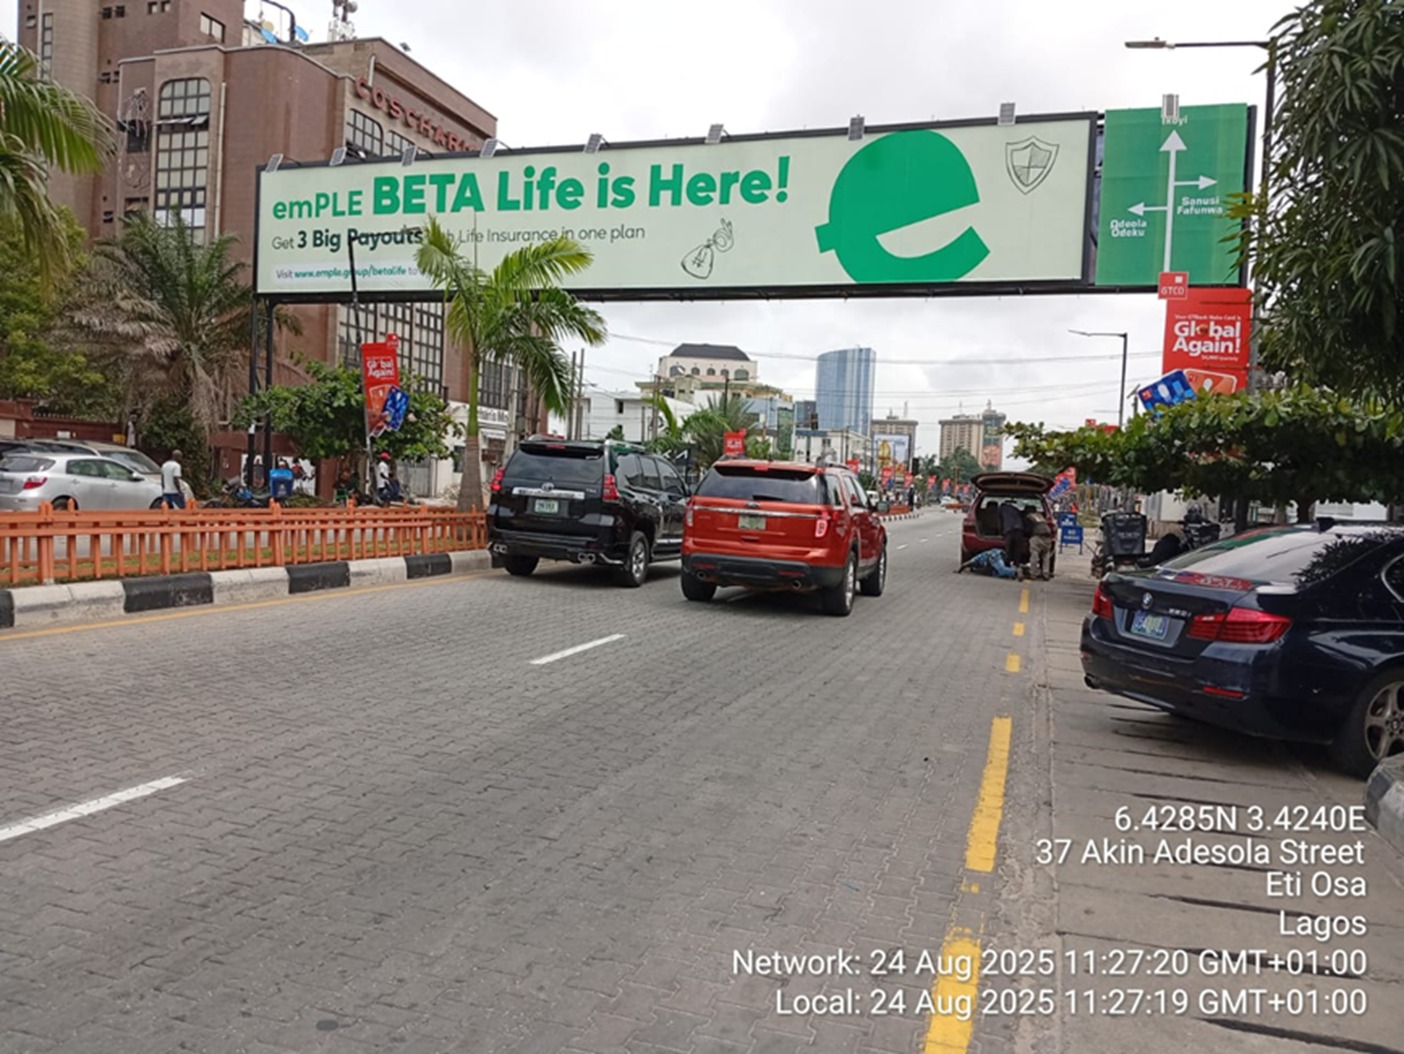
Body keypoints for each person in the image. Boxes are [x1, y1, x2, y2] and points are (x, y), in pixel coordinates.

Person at [1026, 507, 1054, 580]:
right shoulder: (1042, 516)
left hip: (1037, 537)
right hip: (1047, 538)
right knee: (1046, 556)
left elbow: (1027, 529)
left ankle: (1033, 574)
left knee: (1034, 555)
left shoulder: (1029, 517)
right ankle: (1045, 574)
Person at [999, 499, 1025, 568]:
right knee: (1017, 548)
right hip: (1019, 530)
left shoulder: (1001, 509)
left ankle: (1007, 564)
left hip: (1009, 530)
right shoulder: (1016, 509)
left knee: (1008, 548)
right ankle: (1017, 564)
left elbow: (999, 520)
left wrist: (1001, 531)